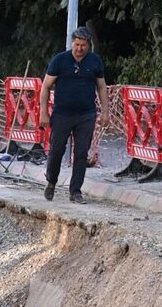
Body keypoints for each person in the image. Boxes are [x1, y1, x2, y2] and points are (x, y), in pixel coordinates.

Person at [40, 26, 112, 204]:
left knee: (81, 153)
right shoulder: (60, 60)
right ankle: (51, 182)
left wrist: (105, 112)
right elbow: (46, 86)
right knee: (56, 150)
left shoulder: (95, 61)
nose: (80, 48)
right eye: (77, 44)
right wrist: (43, 112)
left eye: (83, 45)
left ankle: (75, 191)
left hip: (86, 115)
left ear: (89, 45)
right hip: (62, 114)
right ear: (72, 43)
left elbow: (101, 87)